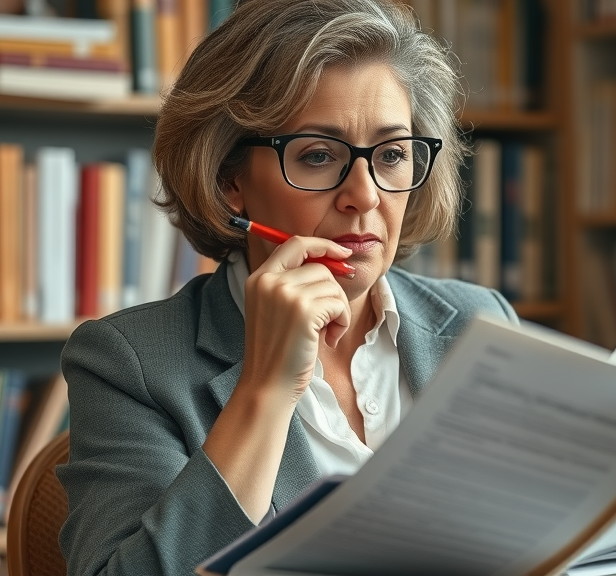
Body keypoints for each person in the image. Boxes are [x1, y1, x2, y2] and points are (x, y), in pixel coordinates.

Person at [55, 1, 519, 574]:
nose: (366, 195)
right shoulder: (128, 363)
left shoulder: (482, 322)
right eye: (319, 156)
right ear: (230, 181)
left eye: (392, 154)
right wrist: (265, 390)